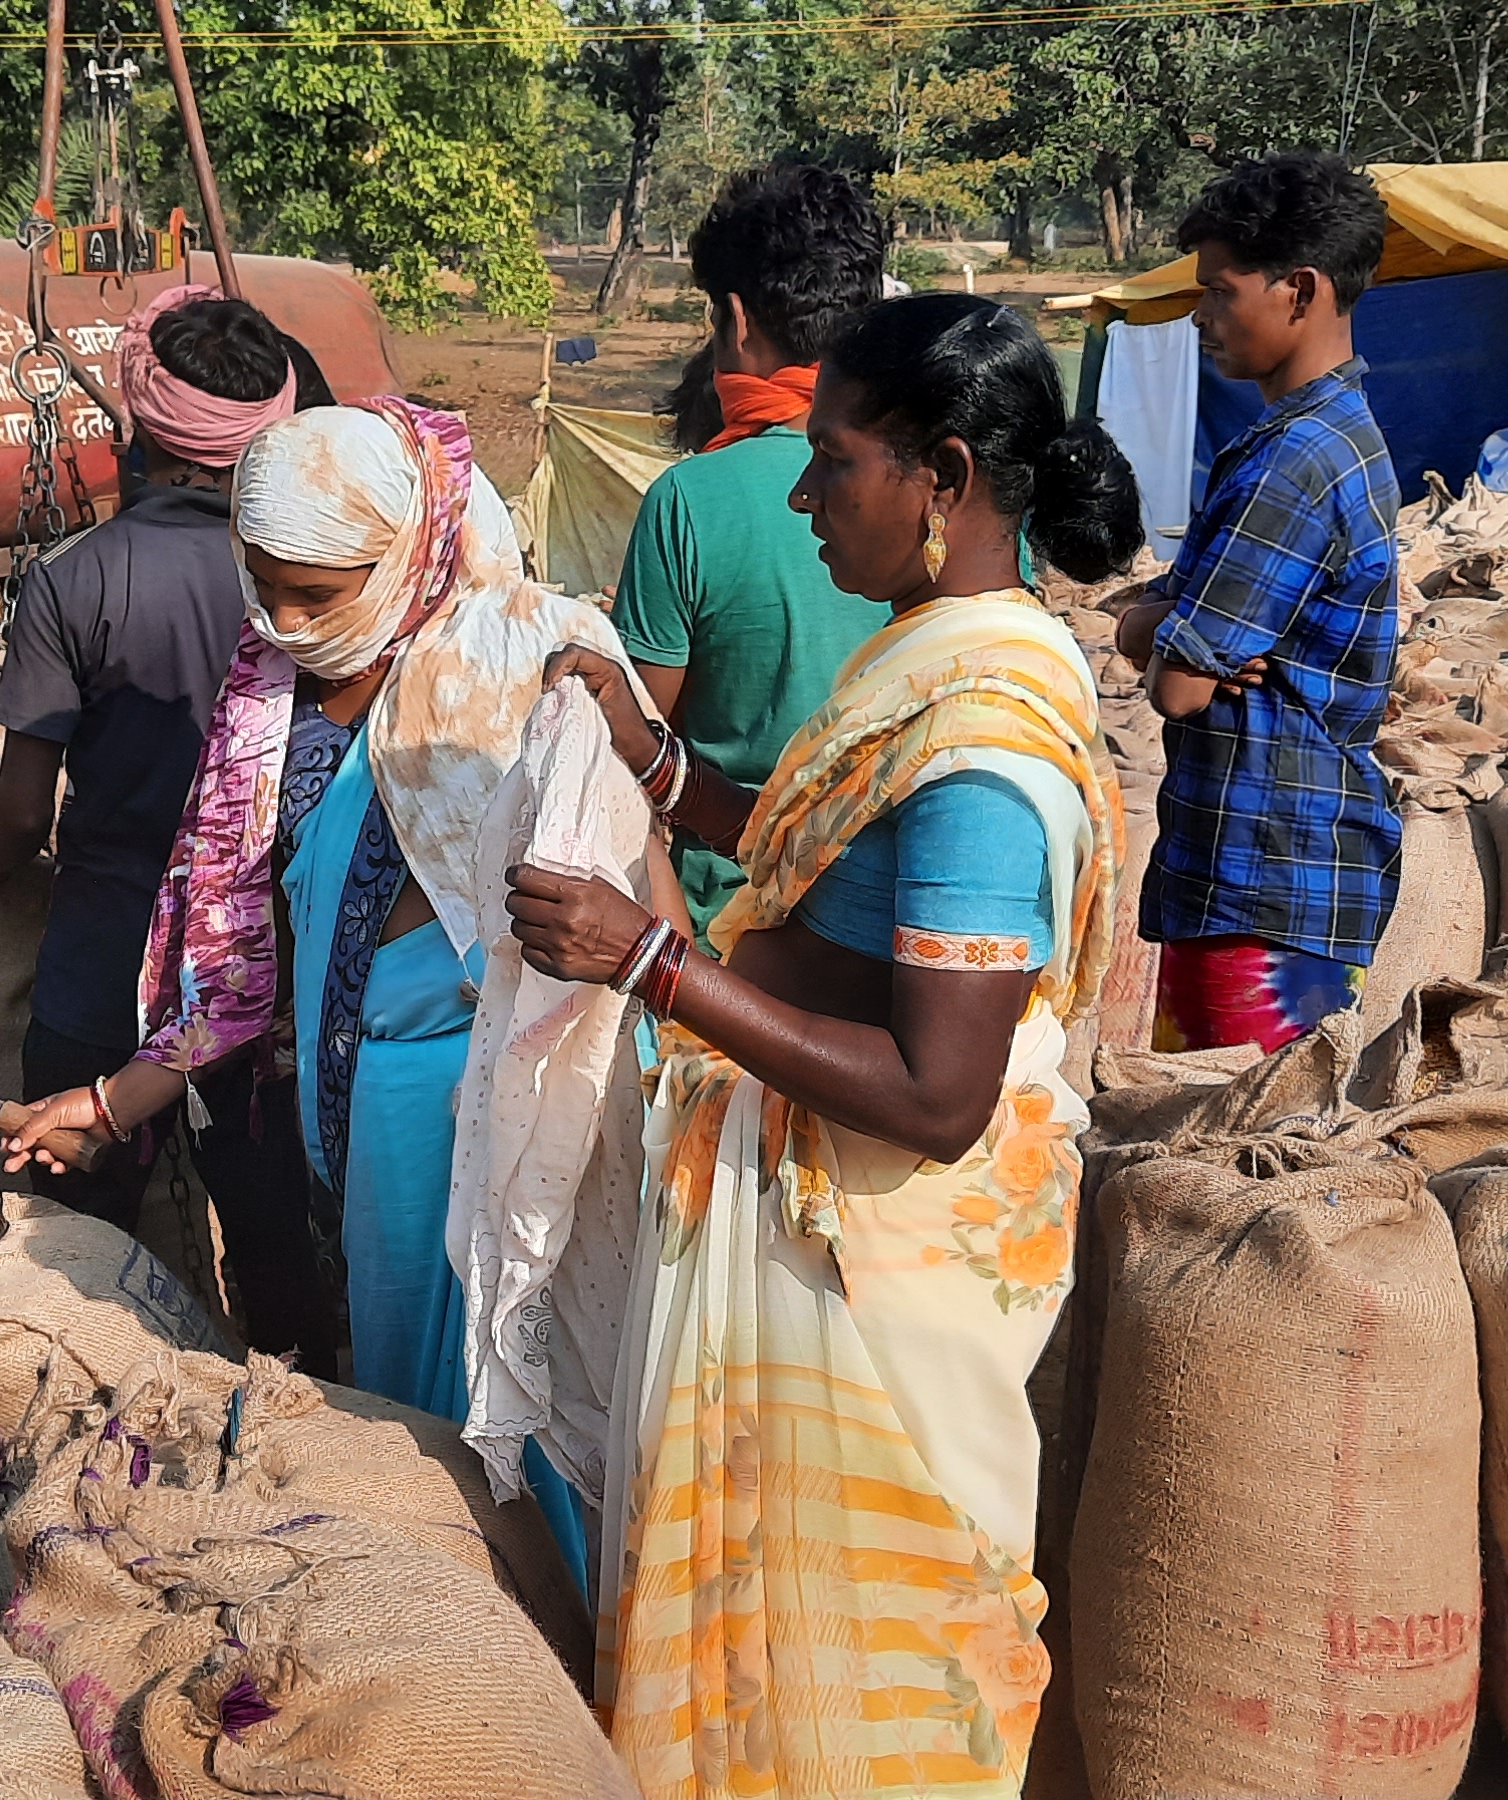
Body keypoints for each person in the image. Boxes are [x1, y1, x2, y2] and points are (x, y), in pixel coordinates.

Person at [511, 291, 1140, 1795]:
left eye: (834, 460)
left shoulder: (981, 745)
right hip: (822, 1231)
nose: (801, 497)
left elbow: (935, 1094)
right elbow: (812, 863)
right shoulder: (927, 655)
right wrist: (645, 751)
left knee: (854, 1673)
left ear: (946, 479)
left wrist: (649, 962)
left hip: (876, 1273)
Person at [0, 398, 636, 1566]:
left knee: (535, 1415)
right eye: (264, 585)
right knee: (415, 1442)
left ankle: (555, 1683)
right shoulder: (264, 695)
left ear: (408, 551)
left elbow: (629, 921)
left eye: (319, 593)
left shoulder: (529, 662)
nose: (286, 621)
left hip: (508, 1129)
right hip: (365, 1136)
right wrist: (105, 1104)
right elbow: (247, 965)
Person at [0, 285, 338, 1369]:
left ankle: (88, 1403)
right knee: (272, 1228)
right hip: (266, 948)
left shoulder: (76, 582)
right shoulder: (310, 573)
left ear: (137, 425)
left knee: (78, 1208)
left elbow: (20, 813)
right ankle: (298, 1413)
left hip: (108, 944)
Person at [1107, 153, 1401, 1052]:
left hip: (1260, 890)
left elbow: (1179, 687)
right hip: (1285, 884)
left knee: (1226, 1159)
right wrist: (1171, 622)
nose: (1201, 316)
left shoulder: (1293, 462)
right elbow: (1182, 639)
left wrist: (1150, 622)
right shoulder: (1336, 437)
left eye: (1220, 292)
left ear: (1300, 291)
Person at [612, 162, 892, 931]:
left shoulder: (691, 499)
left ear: (736, 321)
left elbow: (637, 736)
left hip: (736, 921)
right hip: (906, 902)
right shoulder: (947, 481)